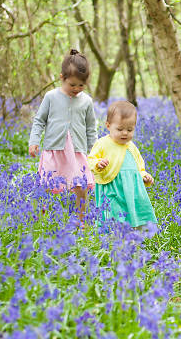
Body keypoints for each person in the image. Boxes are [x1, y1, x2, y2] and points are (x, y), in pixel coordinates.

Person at [28, 49, 97, 224]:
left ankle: (81, 222)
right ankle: (41, 222)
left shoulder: (87, 101)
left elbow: (91, 128)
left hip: (77, 151)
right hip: (54, 150)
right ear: (62, 78)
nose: (76, 89)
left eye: (81, 85)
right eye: (72, 84)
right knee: (47, 186)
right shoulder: (51, 97)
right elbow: (39, 121)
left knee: (80, 187)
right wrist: (34, 141)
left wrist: (94, 152)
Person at [88, 100, 158, 228]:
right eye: (120, 129)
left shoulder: (132, 147)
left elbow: (139, 167)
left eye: (130, 129)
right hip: (112, 188)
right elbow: (91, 160)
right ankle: (114, 239)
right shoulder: (102, 143)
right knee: (114, 214)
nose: (125, 133)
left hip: (131, 190)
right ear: (108, 126)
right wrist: (98, 164)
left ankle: (134, 238)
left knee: (133, 213)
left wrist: (144, 176)